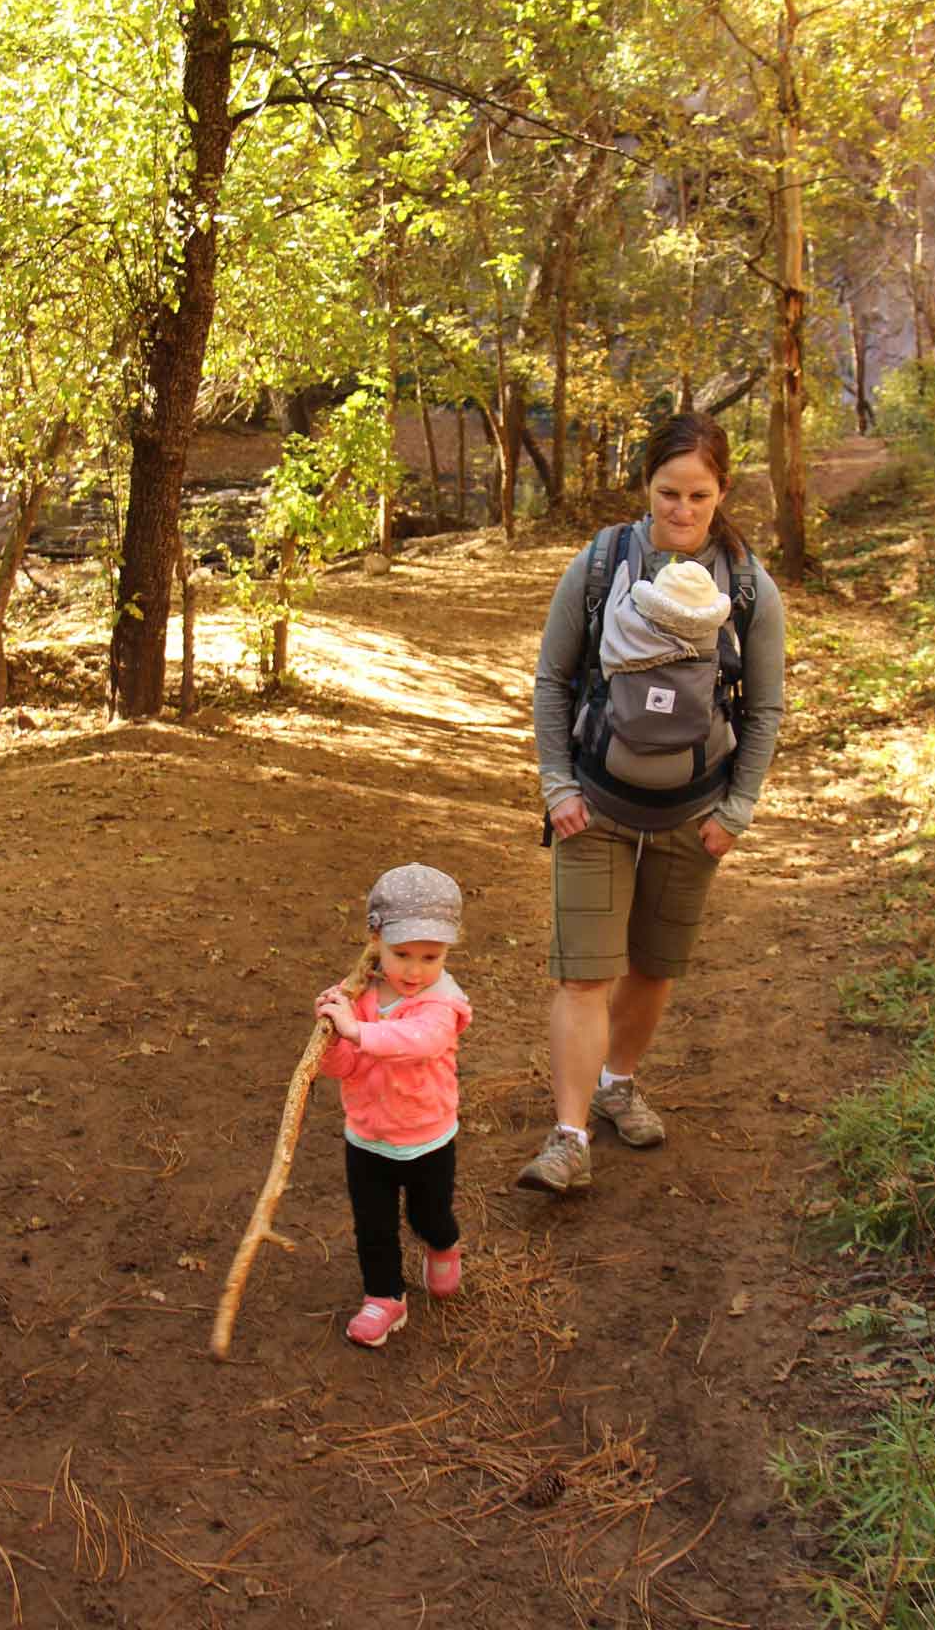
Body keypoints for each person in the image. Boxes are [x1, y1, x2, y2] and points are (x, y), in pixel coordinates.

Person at [517, 411, 785, 1195]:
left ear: (722, 491)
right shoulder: (602, 566)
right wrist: (558, 785)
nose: (682, 510)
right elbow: (551, 680)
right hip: (593, 806)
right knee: (582, 975)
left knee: (654, 968)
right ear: (646, 486)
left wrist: (734, 812)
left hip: (693, 813)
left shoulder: (746, 585)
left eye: (699, 495)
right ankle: (568, 1139)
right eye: (669, 492)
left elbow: (764, 709)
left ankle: (617, 1083)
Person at [316, 863, 471, 1347]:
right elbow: (343, 1067)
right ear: (375, 942)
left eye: (431, 956)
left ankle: (444, 1246)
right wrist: (331, 1035)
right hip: (367, 1135)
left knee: (429, 1216)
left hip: (427, 1136)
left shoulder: (442, 1003)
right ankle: (384, 1297)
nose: (414, 970)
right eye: (401, 954)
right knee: (373, 1226)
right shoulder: (359, 997)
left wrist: (358, 1031)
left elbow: (417, 1042)